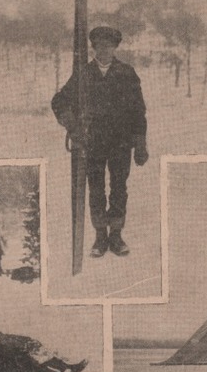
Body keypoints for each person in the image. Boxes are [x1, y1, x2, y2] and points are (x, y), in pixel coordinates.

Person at [52, 25, 148, 259]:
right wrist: (73, 126)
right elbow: (59, 101)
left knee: (118, 188)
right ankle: (100, 236)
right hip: (92, 143)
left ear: (115, 48)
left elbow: (138, 111)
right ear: (94, 48)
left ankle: (115, 235)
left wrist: (140, 143)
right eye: (99, 46)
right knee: (95, 189)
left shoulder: (127, 73)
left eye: (108, 46)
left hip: (120, 143)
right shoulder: (83, 74)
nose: (104, 50)